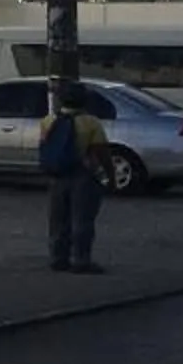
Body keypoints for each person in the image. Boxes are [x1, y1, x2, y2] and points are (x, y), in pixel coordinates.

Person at [37, 82, 108, 274]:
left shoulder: (48, 120)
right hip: (82, 174)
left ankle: (58, 258)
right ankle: (81, 261)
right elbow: (99, 151)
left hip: (57, 174)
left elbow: (44, 146)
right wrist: (108, 174)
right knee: (82, 220)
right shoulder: (91, 122)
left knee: (58, 220)